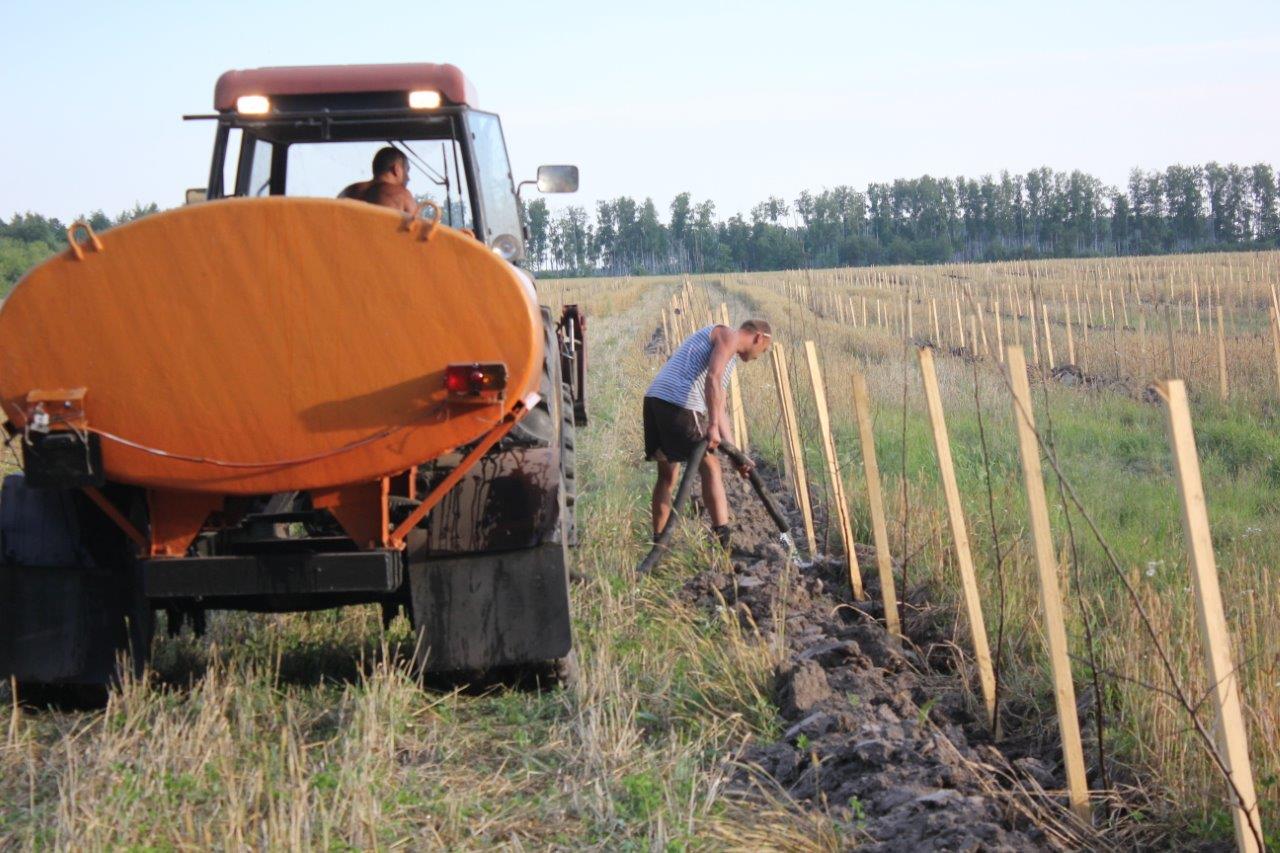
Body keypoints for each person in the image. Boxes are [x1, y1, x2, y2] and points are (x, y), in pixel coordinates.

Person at [644, 319, 772, 549]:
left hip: (655, 399)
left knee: (667, 476)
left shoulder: (728, 354)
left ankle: (659, 544)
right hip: (679, 402)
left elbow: (718, 402)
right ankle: (723, 541)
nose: (759, 356)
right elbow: (712, 379)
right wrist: (712, 425)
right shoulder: (728, 336)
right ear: (759, 337)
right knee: (710, 466)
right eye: (764, 350)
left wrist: (735, 454)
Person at [338, 146, 419, 215]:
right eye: (406, 171)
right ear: (396, 169)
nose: (408, 178)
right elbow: (418, 226)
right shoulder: (402, 195)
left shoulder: (347, 192)